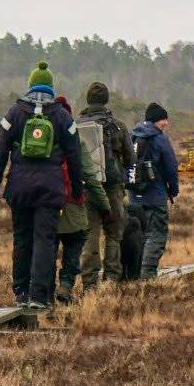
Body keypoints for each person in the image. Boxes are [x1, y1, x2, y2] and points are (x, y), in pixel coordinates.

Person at [0, 61, 89, 309]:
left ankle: (20, 292)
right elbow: (75, 157)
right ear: (51, 87)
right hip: (50, 189)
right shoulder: (63, 117)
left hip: (19, 187)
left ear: (31, 85)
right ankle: (39, 296)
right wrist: (76, 189)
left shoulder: (13, 113)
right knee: (45, 239)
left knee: (22, 238)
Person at [53, 95, 112, 302]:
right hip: (73, 204)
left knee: (47, 249)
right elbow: (90, 177)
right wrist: (105, 206)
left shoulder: (41, 141)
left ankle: (44, 292)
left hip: (46, 204)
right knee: (74, 245)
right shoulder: (76, 141)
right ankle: (66, 286)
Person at [78, 81, 134, 288]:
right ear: (106, 100)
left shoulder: (76, 125)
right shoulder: (118, 125)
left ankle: (89, 283)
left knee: (89, 234)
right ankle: (111, 278)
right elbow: (131, 159)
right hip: (112, 188)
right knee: (114, 232)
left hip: (86, 187)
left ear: (88, 100)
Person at [126, 102, 179, 278]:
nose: (166, 124)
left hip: (134, 197)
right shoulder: (159, 138)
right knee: (156, 235)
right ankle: (147, 274)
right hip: (156, 196)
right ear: (158, 121)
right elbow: (171, 166)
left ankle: (132, 274)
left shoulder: (132, 136)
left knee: (138, 236)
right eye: (164, 120)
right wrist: (173, 190)